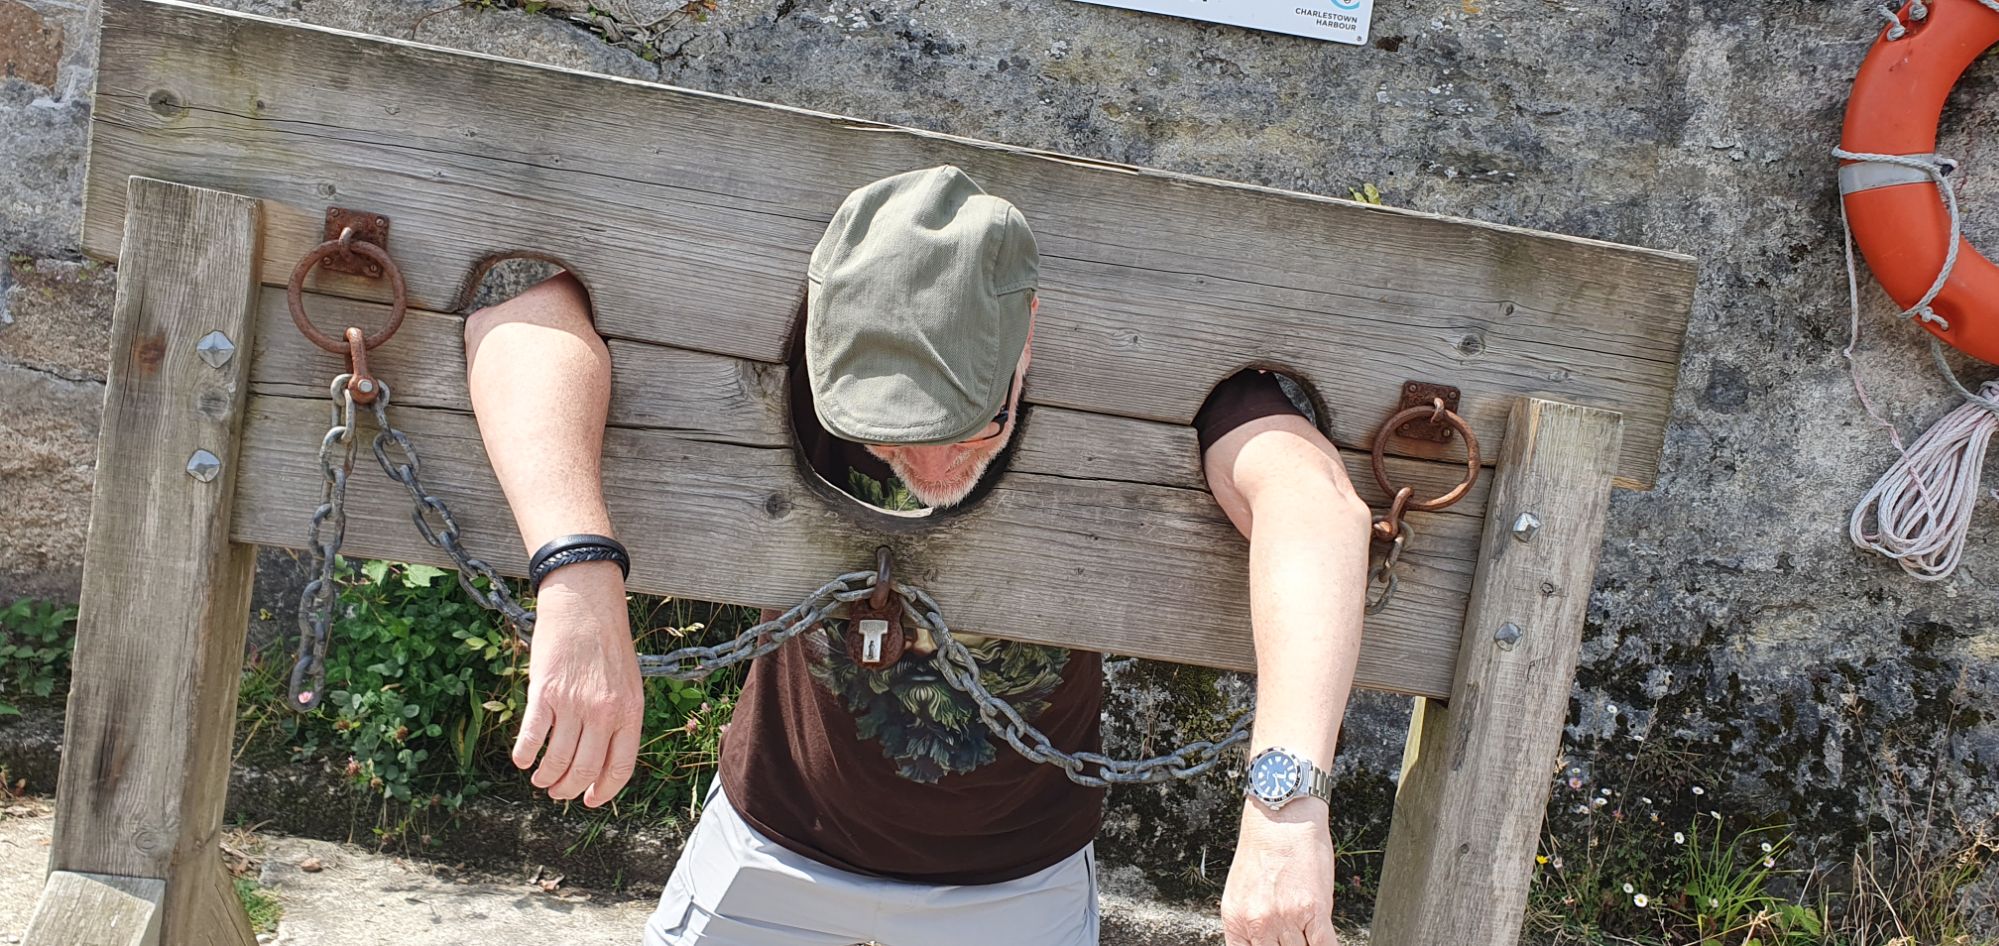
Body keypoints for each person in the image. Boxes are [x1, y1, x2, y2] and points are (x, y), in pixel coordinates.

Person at [463, 166, 1372, 946]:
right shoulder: (813, 355)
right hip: (772, 837)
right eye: (894, 438)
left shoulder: (1165, 376)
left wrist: (1286, 806)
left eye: (974, 425)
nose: (936, 472)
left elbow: (1315, 505)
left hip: (1022, 877)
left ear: (1028, 330)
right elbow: (520, 304)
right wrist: (577, 576)